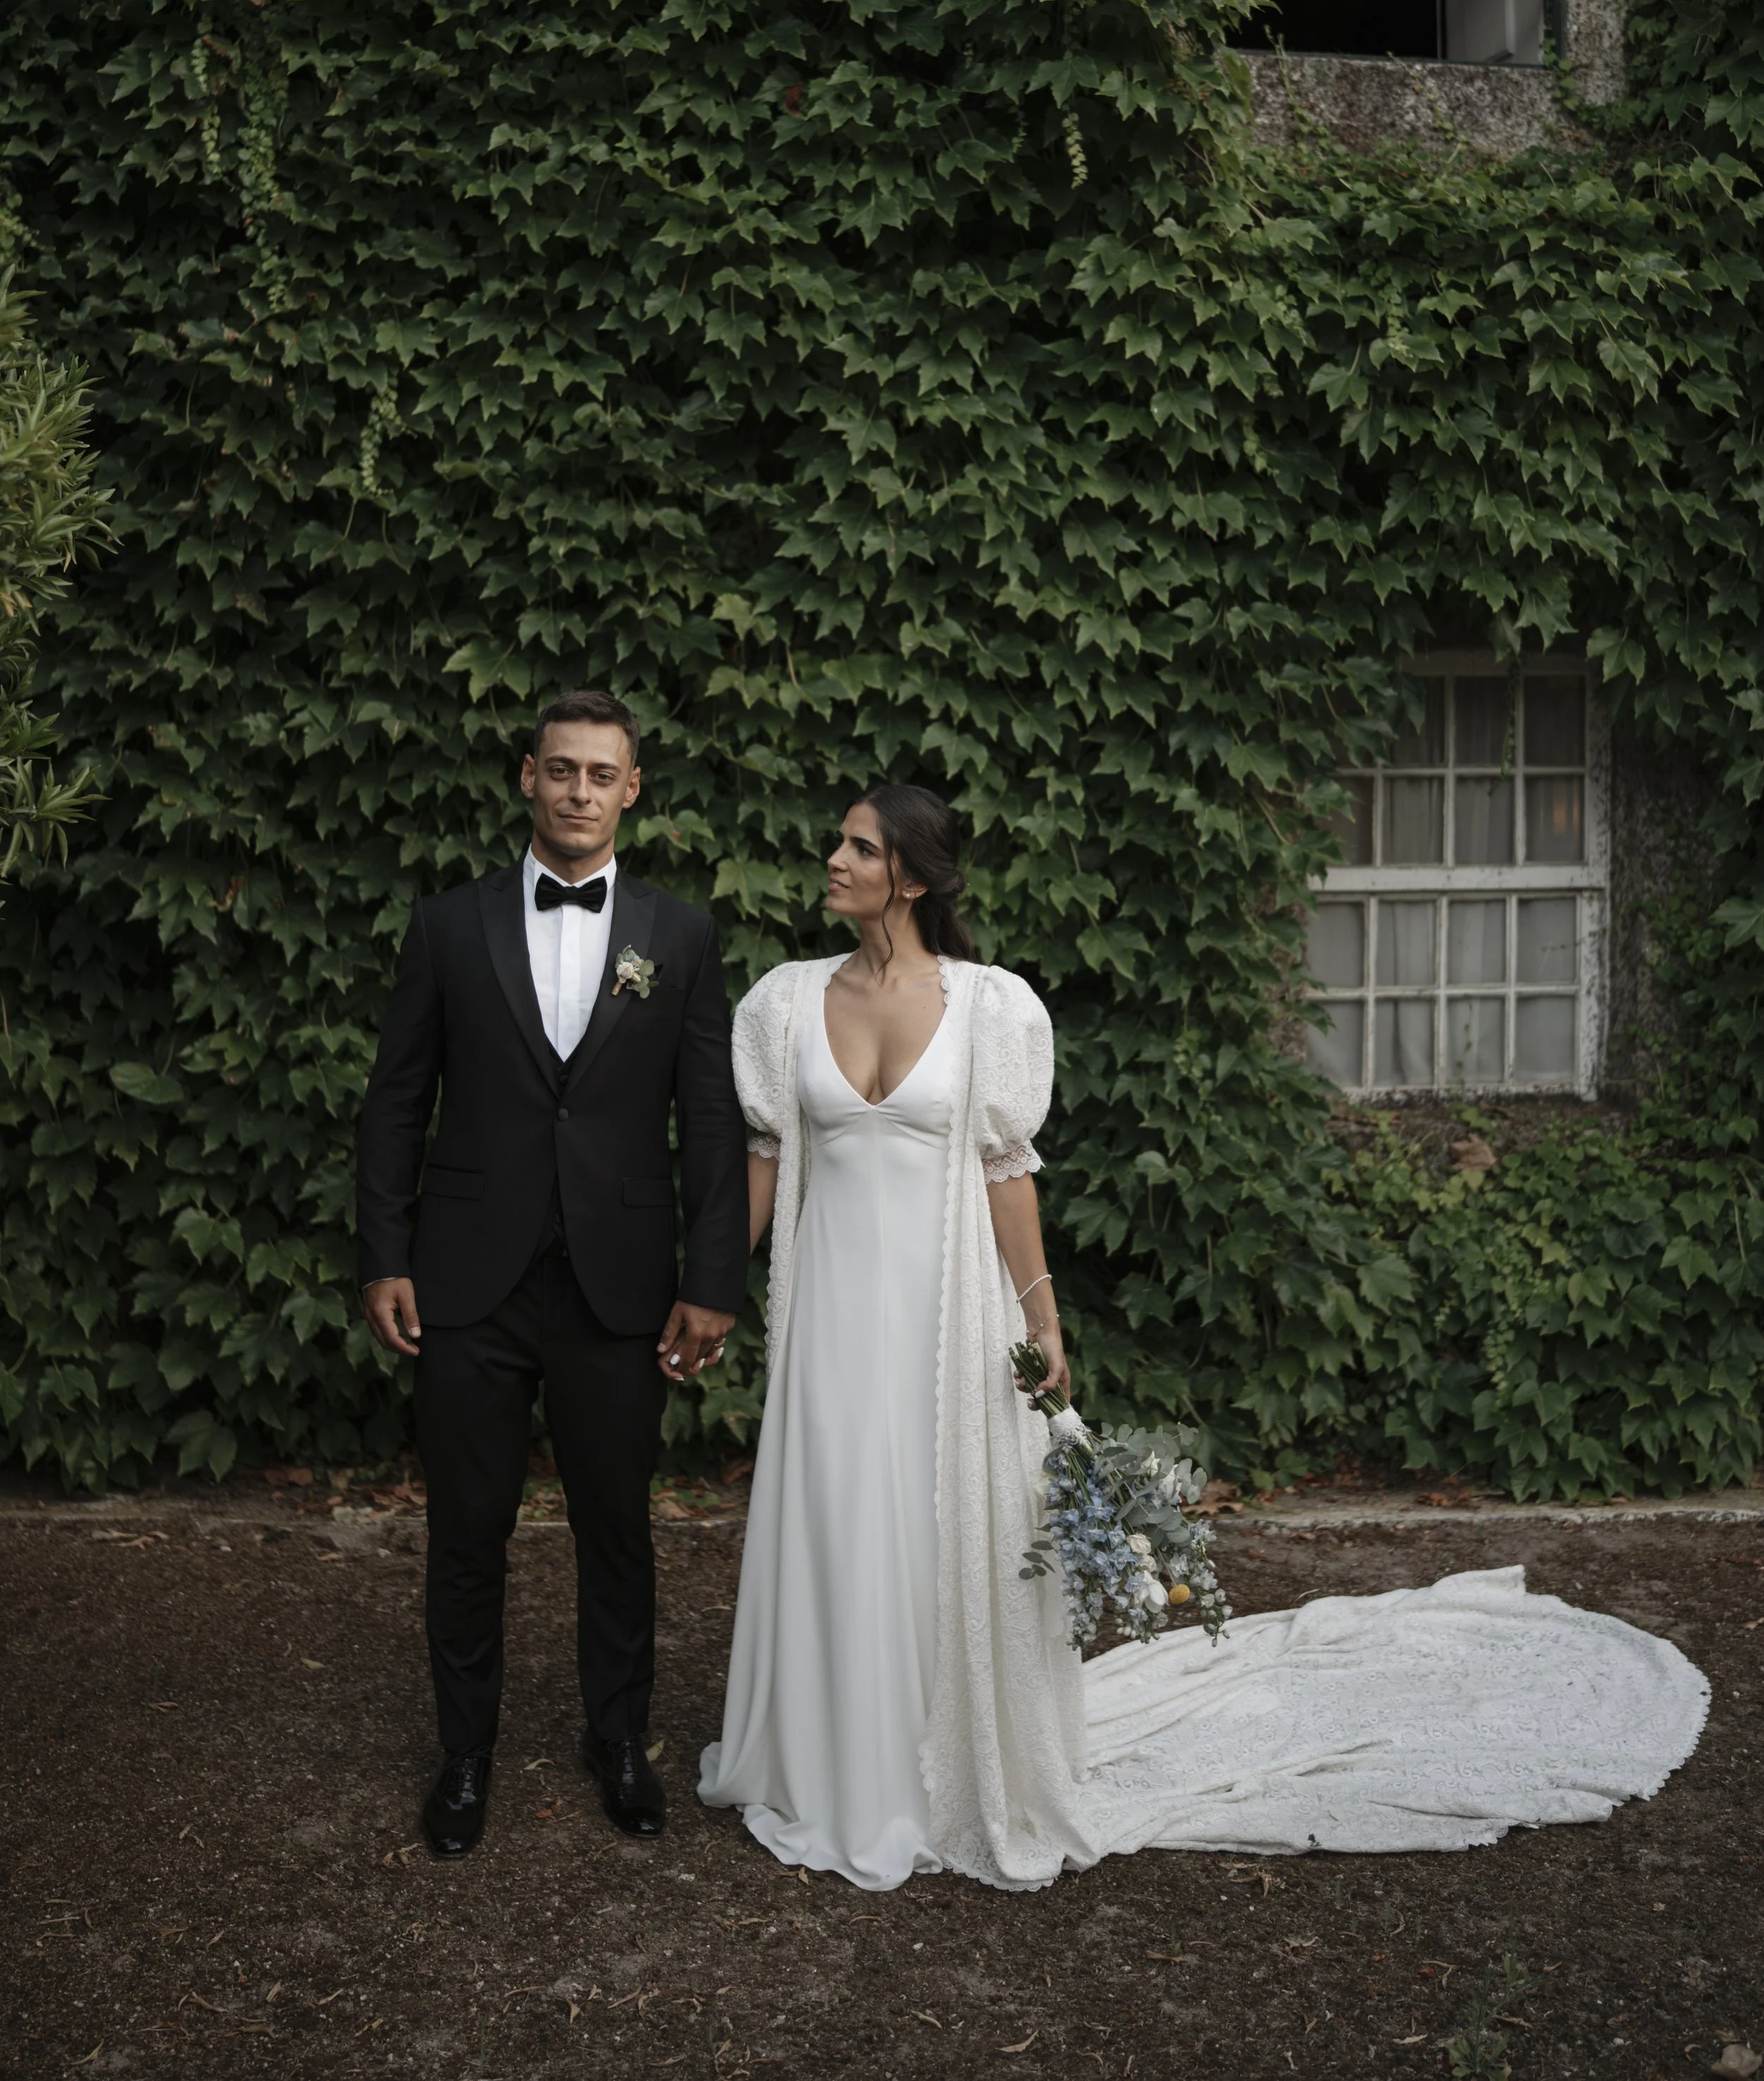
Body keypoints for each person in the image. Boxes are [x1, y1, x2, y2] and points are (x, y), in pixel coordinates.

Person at [699, 784, 1709, 1893]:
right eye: (840, 843)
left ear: (916, 876)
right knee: (839, 1513)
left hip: (947, 1319)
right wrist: (706, 1289)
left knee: (938, 1522)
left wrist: (1042, 1317)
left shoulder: (991, 1006)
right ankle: (832, 1754)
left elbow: (1004, 1171)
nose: (832, 858)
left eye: (859, 845)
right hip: (834, 1315)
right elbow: (763, 1161)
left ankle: (931, 1760)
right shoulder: (786, 1002)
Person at [357, 689, 749, 1857]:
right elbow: (394, 1103)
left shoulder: (680, 937)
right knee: (467, 1530)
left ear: (633, 790)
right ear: (528, 776)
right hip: (466, 1280)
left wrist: (712, 1277)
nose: (580, 791)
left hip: (620, 1284)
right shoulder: (446, 924)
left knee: (615, 1528)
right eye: (561, 769)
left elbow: (713, 1122)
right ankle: (464, 1755)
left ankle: (617, 1741)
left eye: (602, 774)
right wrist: (385, 1252)